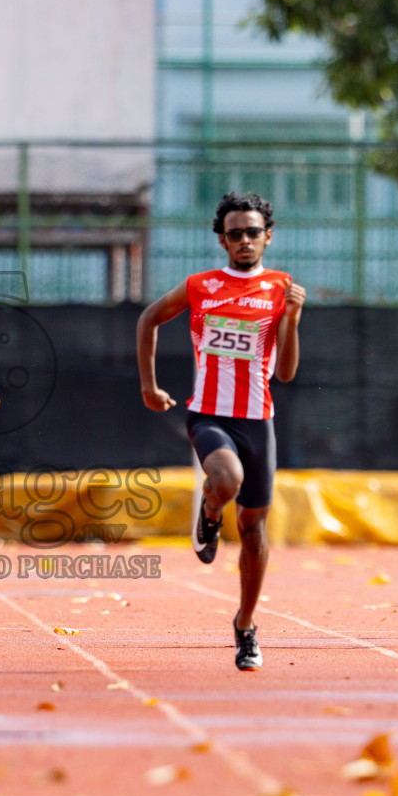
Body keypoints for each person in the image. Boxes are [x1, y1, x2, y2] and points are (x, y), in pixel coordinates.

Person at [136, 192, 305, 671]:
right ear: (222, 240)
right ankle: (210, 514)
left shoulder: (281, 287)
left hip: (259, 419)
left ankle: (246, 626)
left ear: (267, 237)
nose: (245, 240)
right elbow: (149, 319)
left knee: (253, 529)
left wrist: (292, 318)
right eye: (236, 233)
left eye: (253, 232)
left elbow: (287, 372)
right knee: (225, 479)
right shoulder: (200, 286)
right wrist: (149, 386)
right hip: (208, 414)